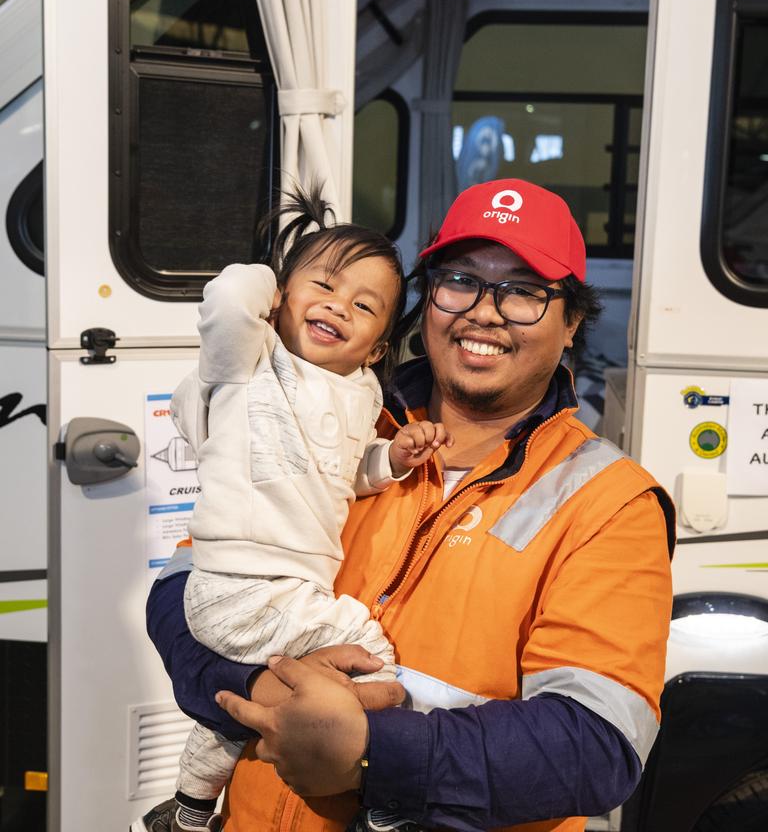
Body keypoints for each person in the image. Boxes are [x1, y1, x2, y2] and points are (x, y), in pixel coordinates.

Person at [143, 178, 675, 832]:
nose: (484, 311)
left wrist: (371, 755)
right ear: (428, 304)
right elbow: (179, 597)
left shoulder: (609, 499)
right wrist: (267, 694)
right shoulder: (345, 428)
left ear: (571, 325)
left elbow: (595, 747)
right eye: (460, 281)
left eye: (525, 292)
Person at [132, 189, 453, 832]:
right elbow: (226, 305)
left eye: (364, 307)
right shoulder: (248, 365)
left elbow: (346, 474)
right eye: (324, 286)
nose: (339, 305)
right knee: (370, 650)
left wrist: (391, 460)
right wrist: (262, 279)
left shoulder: (361, 393)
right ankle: (386, 792)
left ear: (374, 351)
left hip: (282, 588)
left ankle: (190, 808)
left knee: (236, 705)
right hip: (240, 582)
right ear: (278, 301)